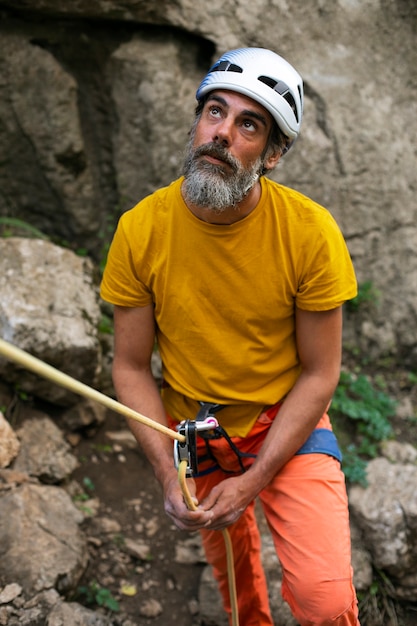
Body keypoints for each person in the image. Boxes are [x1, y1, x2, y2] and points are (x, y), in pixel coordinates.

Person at [100, 47, 360, 626]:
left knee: (325, 599)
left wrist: (255, 479)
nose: (222, 133)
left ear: (272, 154)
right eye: (214, 112)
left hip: (283, 416)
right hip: (196, 426)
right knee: (235, 579)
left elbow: (320, 374)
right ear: (196, 124)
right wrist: (169, 477)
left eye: (249, 124)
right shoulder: (141, 230)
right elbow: (131, 367)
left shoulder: (311, 234)